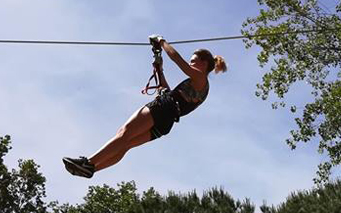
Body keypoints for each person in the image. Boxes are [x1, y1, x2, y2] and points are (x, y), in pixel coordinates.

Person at [62, 36, 227, 178]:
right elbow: (169, 92)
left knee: (124, 133)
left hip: (163, 108)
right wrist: (159, 70)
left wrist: (162, 41)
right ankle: (93, 170)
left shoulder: (200, 78)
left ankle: (88, 162)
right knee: (125, 144)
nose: (191, 64)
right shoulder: (200, 87)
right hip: (166, 122)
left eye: (193, 61)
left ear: (204, 64)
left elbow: (177, 60)